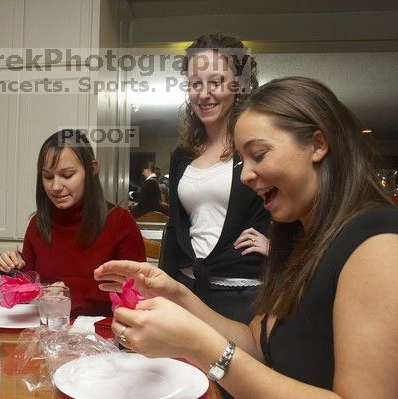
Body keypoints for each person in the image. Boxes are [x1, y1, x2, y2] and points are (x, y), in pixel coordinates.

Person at [95, 77, 398, 398]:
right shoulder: (304, 241)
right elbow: (257, 344)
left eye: (259, 154)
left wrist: (200, 347)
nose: (245, 176)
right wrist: (178, 295)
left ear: (318, 145)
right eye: (242, 160)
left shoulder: (376, 244)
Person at [161, 33, 270, 324]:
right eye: (196, 83)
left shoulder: (258, 147)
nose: (204, 93)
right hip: (188, 287)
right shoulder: (182, 155)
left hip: (241, 293)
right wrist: (159, 288)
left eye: (216, 82)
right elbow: (175, 226)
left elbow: (297, 201)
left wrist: (278, 248)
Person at [0, 130, 146, 316]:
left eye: (67, 175)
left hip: (104, 336)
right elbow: (29, 293)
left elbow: (136, 292)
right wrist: (13, 271)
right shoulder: (38, 223)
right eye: (48, 177)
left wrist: (71, 289)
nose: (56, 187)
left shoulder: (119, 222)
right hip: (49, 334)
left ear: (92, 169)